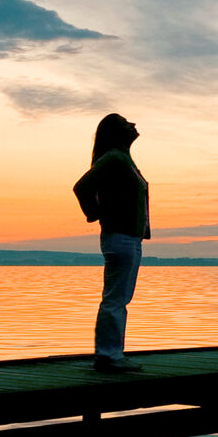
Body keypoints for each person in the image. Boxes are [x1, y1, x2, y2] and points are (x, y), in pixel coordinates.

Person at [73, 113, 150, 372]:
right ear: (117, 132)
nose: (134, 124)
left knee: (119, 298)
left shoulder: (123, 159)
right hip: (120, 237)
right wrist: (94, 213)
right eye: (127, 123)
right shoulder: (114, 158)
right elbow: (81, 186)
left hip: (129, 237)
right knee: (115, 298)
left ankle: (112, 354)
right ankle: (108, 356)